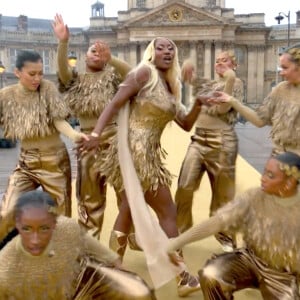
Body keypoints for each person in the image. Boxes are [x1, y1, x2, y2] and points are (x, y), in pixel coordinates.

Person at [77, 37, 203, 296]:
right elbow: (115, 103)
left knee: (127, 210)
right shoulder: (144, 73)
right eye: (160, 47)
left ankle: (111, 270)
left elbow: (186, 123)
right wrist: (96, 135)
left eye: (171, 48)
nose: (166, 51)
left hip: (148, 154)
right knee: (167, 210)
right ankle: (181, 276)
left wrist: (200, 102)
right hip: (135, 153)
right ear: (151, 52)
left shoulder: (169, 86)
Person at [167, 151, 300, 299]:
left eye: (270, 176)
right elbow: (218, 221)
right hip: (250, 259)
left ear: (289, 183)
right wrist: (176, 243)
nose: (262, 179)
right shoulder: (254, 196)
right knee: (211, 276)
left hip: (282, 276)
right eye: (264, 172)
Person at [52, 14, 131, 239]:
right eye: (92, 51)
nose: (97, 53)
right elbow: (63, 71)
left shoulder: (114, 76)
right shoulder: (76, 80)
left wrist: (111, 59)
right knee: (89, 197)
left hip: (116, 139)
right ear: (84, 57)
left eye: (101, 51)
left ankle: (129, 238)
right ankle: (89, 245)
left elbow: (132, 75)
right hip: (88, 141)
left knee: (126, 193)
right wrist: (63, 42)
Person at [0, 190, 156, 299]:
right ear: (18, 226)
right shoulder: (5, 271)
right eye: (27, 229)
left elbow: (92, 246)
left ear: (55, 224)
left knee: (140, 293)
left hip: (84, 279)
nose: (35, 239)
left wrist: (118, 267)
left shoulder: (67, 228)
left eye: (44, 229)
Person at [0, 50, 87, 242]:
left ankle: (60, 261)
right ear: (17, 73)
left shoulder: (47, 88)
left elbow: (59, 120)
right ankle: (11, 257)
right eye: (32, 74)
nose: (37, 78)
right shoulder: (5, 96)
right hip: (25, 162)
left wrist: (74, 135)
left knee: (61, 218)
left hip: (54, 162)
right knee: (6, 213)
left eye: (40, 73)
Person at [175, 51, 244, 252]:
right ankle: (181, 229)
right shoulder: (209, 85)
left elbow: (223, 109)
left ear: (234, 65)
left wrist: (230, 78)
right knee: (184, 185)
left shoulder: (236, 83)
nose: (219, 63)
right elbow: (192, 79)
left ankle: (225, 236)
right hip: (198, 139)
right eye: (217, 61)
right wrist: (187, 66)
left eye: (225, 61)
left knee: (223, 195)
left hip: (222, 142)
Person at [211, 43, 300, 156]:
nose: (281, 72)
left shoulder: (236, 82)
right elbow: (259, 120)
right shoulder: (281, 89)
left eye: (285, 68)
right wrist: (232, 100)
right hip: (280, 161)